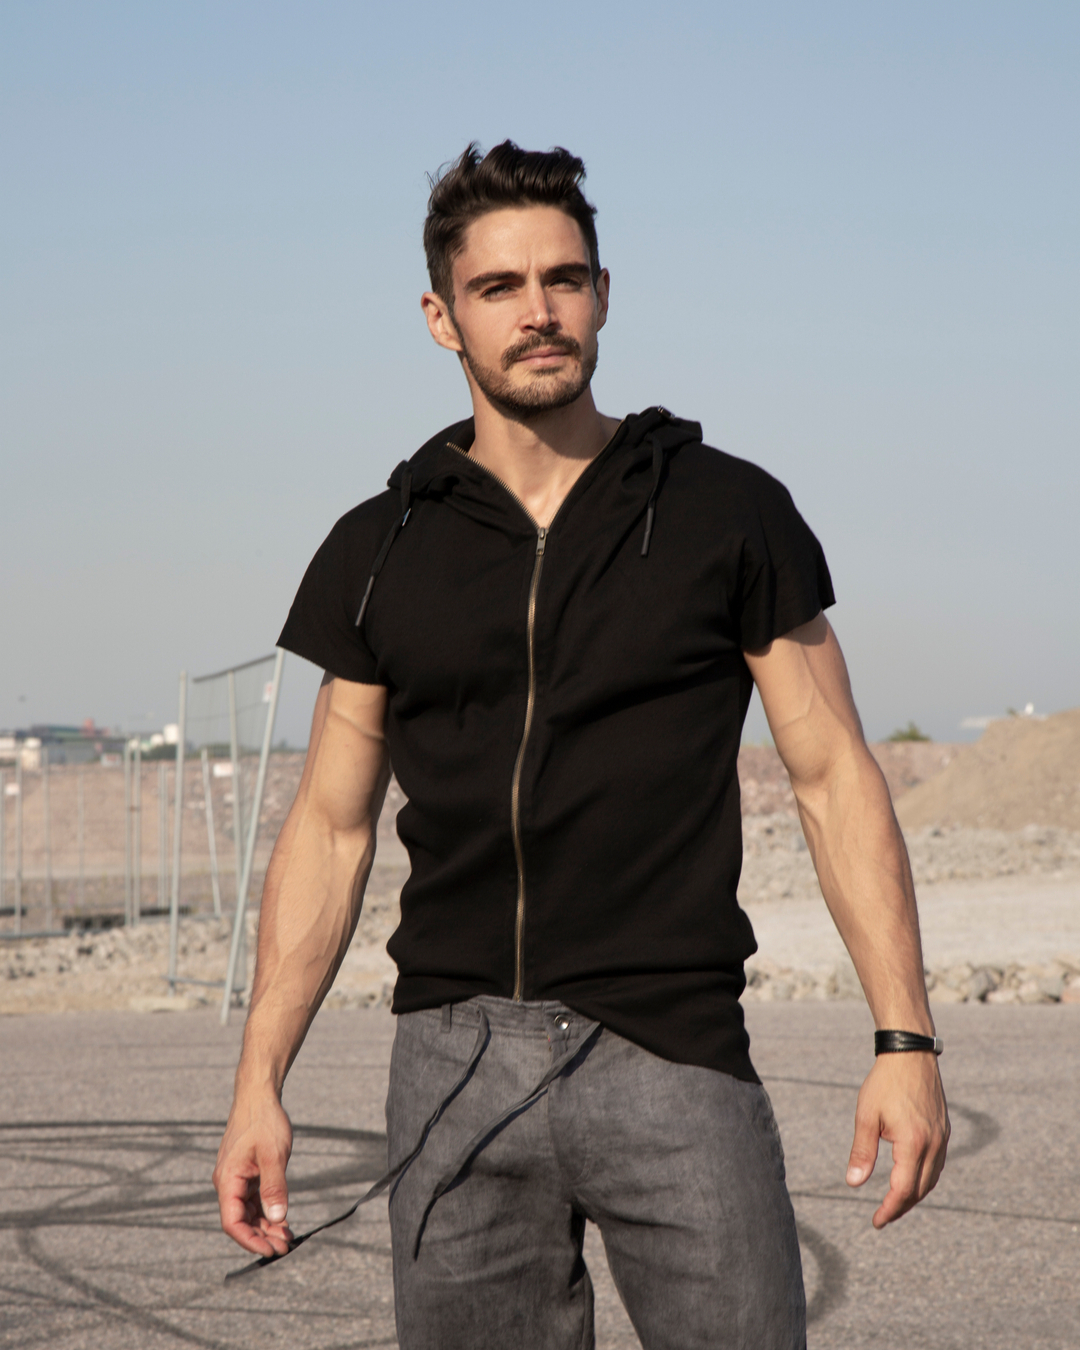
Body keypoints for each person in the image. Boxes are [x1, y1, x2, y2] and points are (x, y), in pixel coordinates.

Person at [213, 141, 949, 1349]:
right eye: (498, 287)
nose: (538, 312)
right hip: (451, 1070)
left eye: (564, 279)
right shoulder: (377, 548)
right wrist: (258, 1084)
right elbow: (331, 830)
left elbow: (834, 779)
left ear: (604, 294)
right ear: (441, 318)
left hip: (673, 1055)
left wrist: (905, 1038)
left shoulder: (725, 511)